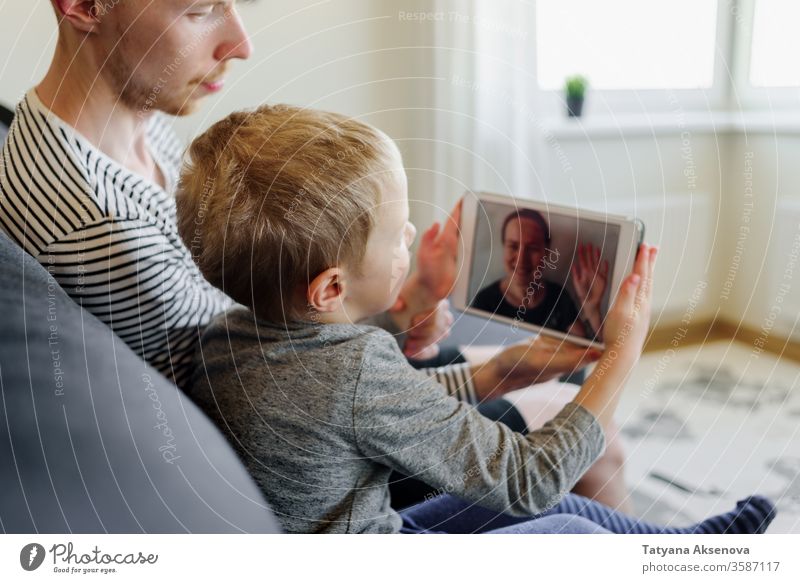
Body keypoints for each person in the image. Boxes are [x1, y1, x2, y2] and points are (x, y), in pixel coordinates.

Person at [0, 0, 625, 509]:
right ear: (82, 5)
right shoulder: (100, 233)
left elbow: (278, 333)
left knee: (551, 365)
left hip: (321, 385)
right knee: (582, 419)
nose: (241, 42)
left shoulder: (129, 130)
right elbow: (290, 384)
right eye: (199, 10)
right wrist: (392, 310)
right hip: (306, 464)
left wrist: (400, 308)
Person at [176, 104, 775, 534]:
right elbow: (529, 480)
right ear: (332, 287)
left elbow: (378, 408)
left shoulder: (227, 336)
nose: (411, 234)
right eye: (397, 232)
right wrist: (621, 358)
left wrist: (503, 371)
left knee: (569, 513)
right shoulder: (353, 367)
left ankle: (681, 550)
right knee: (568, 535)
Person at [471, 209, 609, 340]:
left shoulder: (558, 297)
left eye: (532, 248)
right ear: (503, 247)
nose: (521, 259)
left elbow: (584, 352)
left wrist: (592, 310)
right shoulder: (485, 302)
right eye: (513, 246)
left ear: (547, 253)